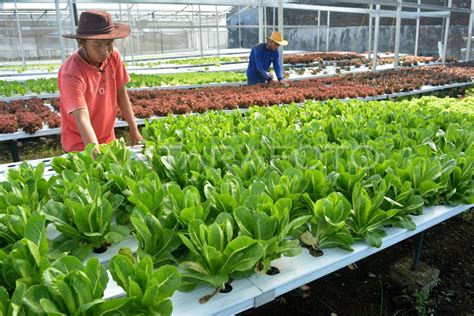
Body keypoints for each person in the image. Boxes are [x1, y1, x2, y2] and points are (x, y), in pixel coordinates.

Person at [59, 10, 143, 153]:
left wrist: (134, 128)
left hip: (108, 139)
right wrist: (95, 153)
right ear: (81, 42)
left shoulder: (114, 55)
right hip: (80, 145)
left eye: (109, 43)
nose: (105, 51)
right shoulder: (71, 72)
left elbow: (121, 93)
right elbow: (82, 118)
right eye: (97, 44)